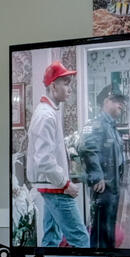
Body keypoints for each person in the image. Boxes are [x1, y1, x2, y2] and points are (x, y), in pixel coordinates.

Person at [26, 61, 88, 247]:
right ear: (53, 86)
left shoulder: (48, 112)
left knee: (51, 239)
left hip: (49, 186)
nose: (70, 88)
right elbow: (44, 160)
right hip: (55, 188)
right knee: (81, 239)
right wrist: (66, 184)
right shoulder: (46, 116)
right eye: (66, 83)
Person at [78, 83, 130, 249]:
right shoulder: (96, 124)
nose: (121, 105)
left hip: (113, 186)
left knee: (109, 229)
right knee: (101, 231)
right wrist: (97, 176)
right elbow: (86, 148)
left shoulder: (111, 127)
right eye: (117, 101)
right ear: (107, 101)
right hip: (103, 188)